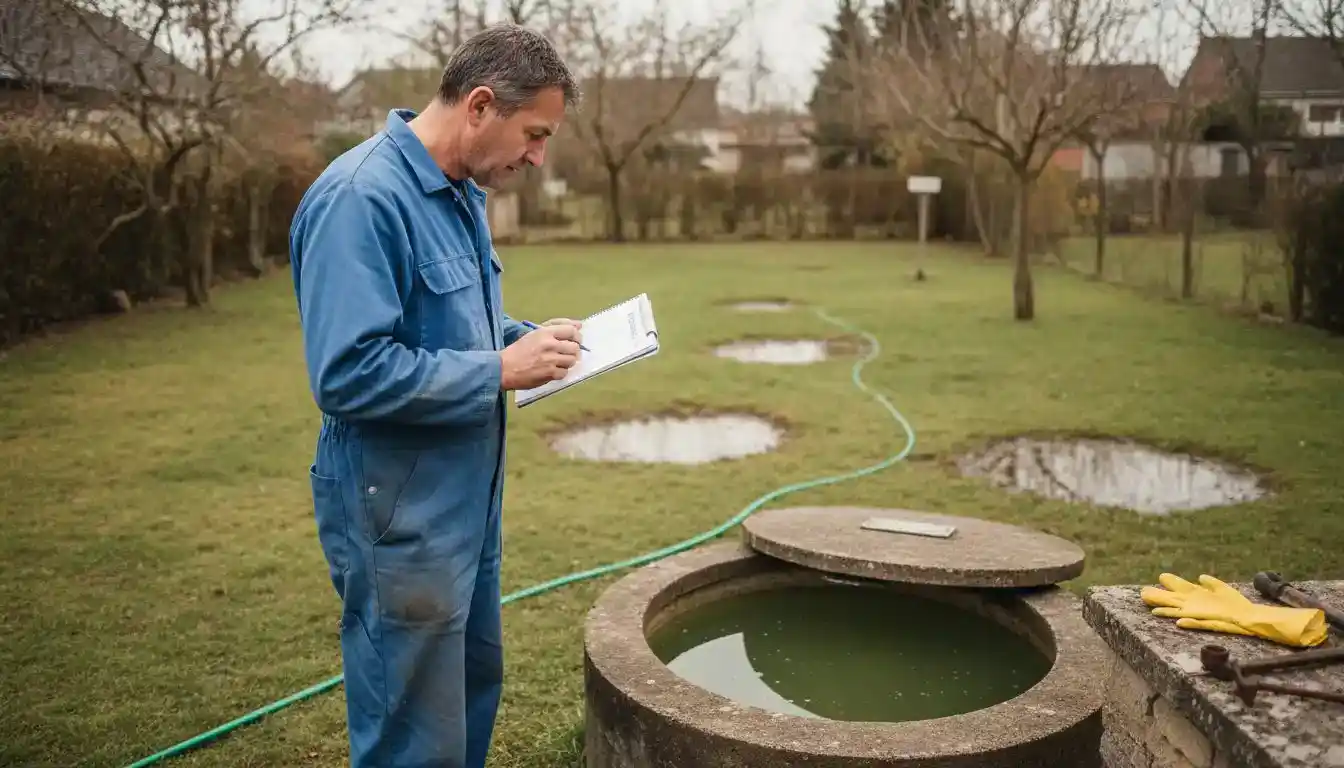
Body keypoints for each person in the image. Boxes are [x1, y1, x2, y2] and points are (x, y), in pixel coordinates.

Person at [287, 23, 582, 768]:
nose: (538, 157)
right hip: (399, 519)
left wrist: (527, 339)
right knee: (414, 732)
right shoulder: (361, 199)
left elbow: (451, 325)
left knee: (470, 690)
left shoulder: (458, 193)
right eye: (535, 133)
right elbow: (349, 371)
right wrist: (500, 371)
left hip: (466, 508)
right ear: (481, 105)